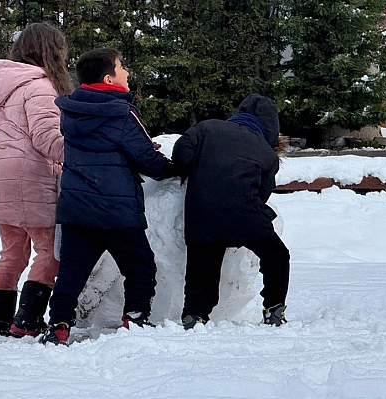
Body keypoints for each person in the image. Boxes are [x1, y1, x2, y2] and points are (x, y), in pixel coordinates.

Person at [38, 48, 177, 344]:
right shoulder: (122, 113)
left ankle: (59, 324)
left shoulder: (71, 112)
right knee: (140, 267)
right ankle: (135, 317)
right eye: (121, 66)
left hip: (77, 209)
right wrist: (177, 168)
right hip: (118, 211)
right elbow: (147, 160)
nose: (126, 72)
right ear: (109, 79)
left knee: (72, 273)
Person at [0, 22, 73, 338]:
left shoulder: (5, 87)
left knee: (12, 253)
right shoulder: (39, 87)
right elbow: (47, 137)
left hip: (0, 178)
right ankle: (28, 319)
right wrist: (83, 150)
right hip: (30, 179)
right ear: (51, 51)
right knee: (50, 252)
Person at [171, 93, 290, 329]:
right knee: (277, 257)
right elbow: (264, 192)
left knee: (202, 268)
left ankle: (195, 314)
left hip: (203, 215)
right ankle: (274, 308)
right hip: (246, 216)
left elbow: (181, 155)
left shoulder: (206, 129)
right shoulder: (266, 153)